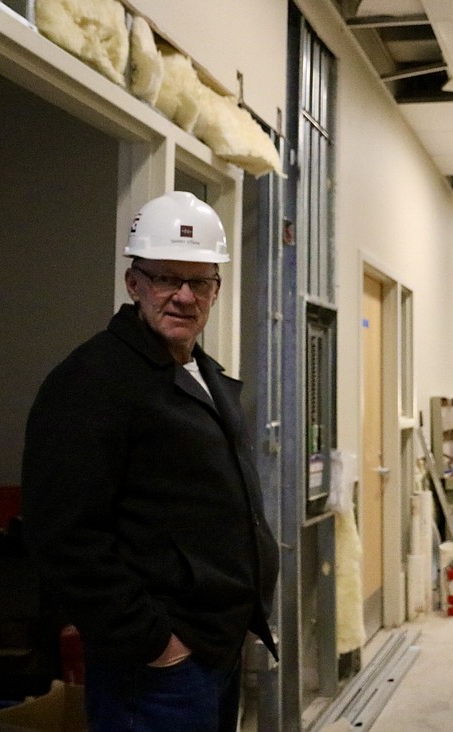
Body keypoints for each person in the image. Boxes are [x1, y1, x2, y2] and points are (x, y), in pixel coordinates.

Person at [22, 191, 279, 731]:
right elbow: (63, 536)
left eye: (200, 281)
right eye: (166, 278)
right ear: (133, 283)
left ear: (216, 289)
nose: (184, 296)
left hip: (214, 647)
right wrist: (156, 645)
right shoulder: (93, 382)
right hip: (158, 670)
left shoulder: (198, 372)